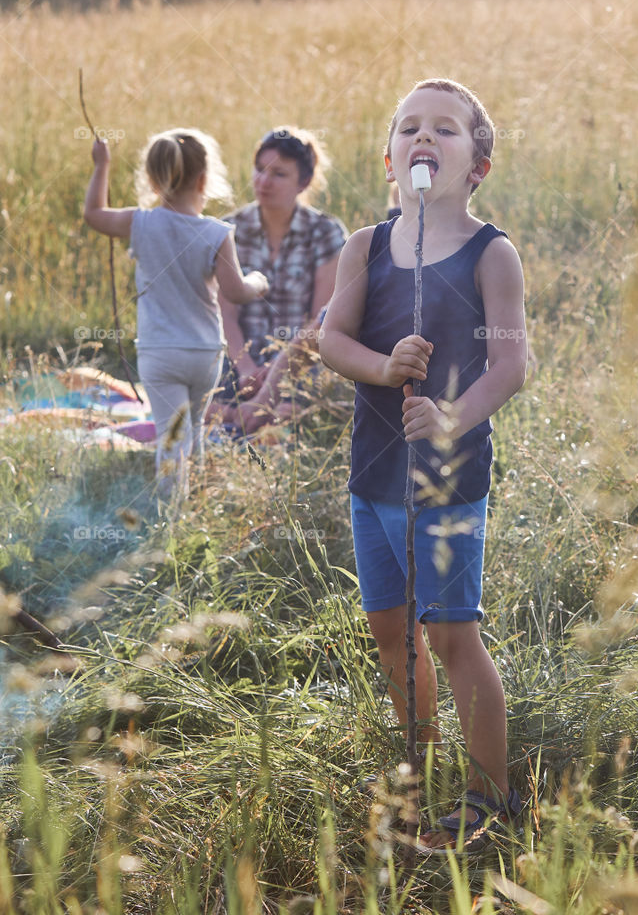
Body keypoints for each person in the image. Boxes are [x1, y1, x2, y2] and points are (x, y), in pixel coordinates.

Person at [318, 78, 527, 852]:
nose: (424, 138)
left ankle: (490, 793)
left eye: (445, 128)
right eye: (409, 127)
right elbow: (331, 339)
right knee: (388, 630)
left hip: (447, 480)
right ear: (389, 158)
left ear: (477, 165)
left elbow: (510, 365)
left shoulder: (489, 253)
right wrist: (382, 367)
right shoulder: (365, 246)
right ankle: (424, 757)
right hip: (372, 475)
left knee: (449, 636)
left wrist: (448, 420)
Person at [83, 130, 268, 496]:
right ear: (204, 180)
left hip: (161, 353)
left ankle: (171, 519)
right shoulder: (216, 233)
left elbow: (94, 215)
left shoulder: (141, 223)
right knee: (194, 430)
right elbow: (236, 291)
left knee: (171, 435)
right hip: (203, 354)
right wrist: (259, 282)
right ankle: (195, 505)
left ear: (152, 181)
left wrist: (102, 165)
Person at [213, 127, 347, 435]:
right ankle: (248, 417)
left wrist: (275, 373)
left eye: (278, 174)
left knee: (301, 409)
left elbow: (321, 320)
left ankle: (250, 417)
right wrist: (245, 367)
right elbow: (225, 313)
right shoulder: (230, 229)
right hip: (238, 358)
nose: (263, 181)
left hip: (298, 361)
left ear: (303, 182)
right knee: (188, 401)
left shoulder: (325, 232)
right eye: (259, 170)